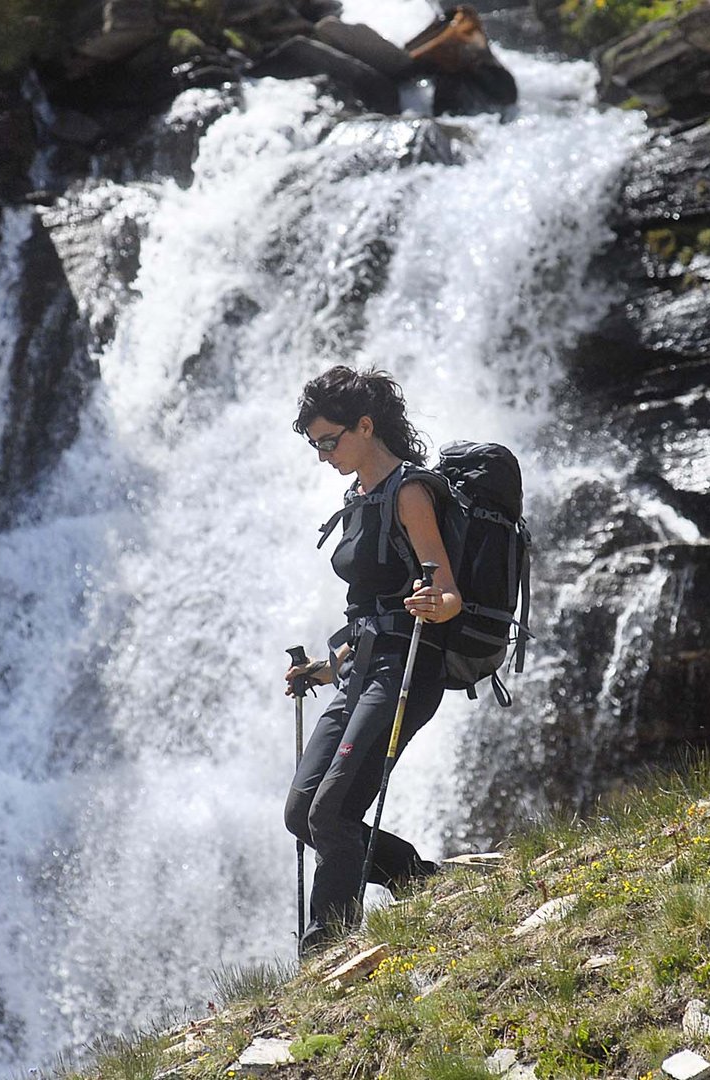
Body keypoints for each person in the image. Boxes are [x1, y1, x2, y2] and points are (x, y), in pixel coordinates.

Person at [283, 366, 462, 954]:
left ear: (366, 425)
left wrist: (433, 604)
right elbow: (366, 608)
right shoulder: (357, 498)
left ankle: (325, 952)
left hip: (408, 668)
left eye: (329, 441)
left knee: (332, 814)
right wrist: (323, 669)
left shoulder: (409, 492)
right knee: (302, 812)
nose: (322, 454)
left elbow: (449, 593)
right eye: (315, 444)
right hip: (360, 669)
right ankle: (413, 876)